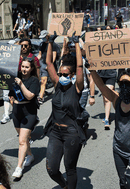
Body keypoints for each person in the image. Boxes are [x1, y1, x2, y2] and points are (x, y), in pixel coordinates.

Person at [91, 61, 130, 189]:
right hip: (119, 149)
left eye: (128, 83)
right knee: (123, 182)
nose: (124, 86)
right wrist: (92, 70)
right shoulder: (116, 99)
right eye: (121, 83)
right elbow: (102, 86)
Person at [45, 32, 85, 189]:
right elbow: (48, 63)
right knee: (52, 169)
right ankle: (64, 186)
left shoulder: (77, 87)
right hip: (55, 132)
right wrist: (50, 42)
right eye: (60, 74)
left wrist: (76, 44)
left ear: (72, 75)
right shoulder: (57, 85)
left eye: (65, 74)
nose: (61, 76)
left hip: (71, 133)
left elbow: (80, 66)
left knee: (70, 168)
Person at [9, 57, 40, 178]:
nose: (24, 69)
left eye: (27, 67)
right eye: (23, 66)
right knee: (24, 138)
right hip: (17, 112)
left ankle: (18, 168)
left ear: (31, 68)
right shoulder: (16, 77)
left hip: (29, 113)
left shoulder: (34, 81)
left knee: (22, 141)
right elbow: (11, 94)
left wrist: (21, 84)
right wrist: (12, 101)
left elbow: (29, 96)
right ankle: (30, 155)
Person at [0, 38, 41, 124]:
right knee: (13, 100)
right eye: (21, 46)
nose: (23, 48)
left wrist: (38, 85)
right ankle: (11, 114)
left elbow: (37, 73)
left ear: (29, 46)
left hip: (28, 83)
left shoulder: (34, 58)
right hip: (15, 83)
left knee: (28, 100)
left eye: (25, 46)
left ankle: (31, 116)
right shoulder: (15, 57)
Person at [37, 30, 59, 104]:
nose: (42, 39)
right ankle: (41, 97)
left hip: (51, 65)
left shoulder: (53, 45)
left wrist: (49, 65)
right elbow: (40, 55)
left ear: (47, 36)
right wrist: (35, 61)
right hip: (43, 64)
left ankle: (58, 95)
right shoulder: (41, 44)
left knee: (55, 81)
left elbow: (54, 57)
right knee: (43, 81)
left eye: (43, 37)